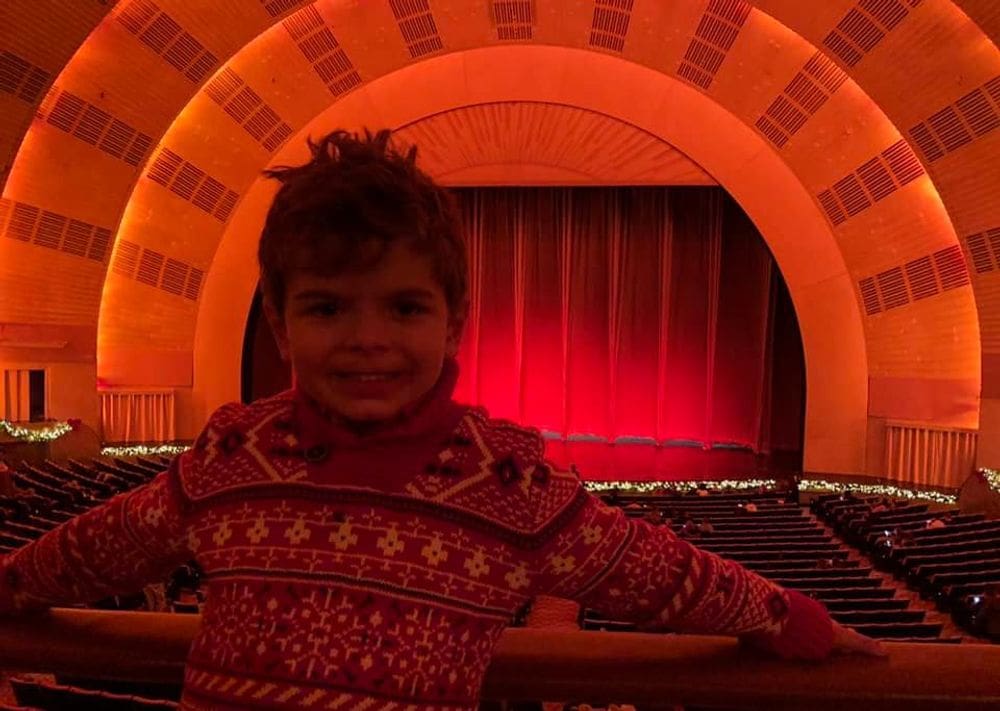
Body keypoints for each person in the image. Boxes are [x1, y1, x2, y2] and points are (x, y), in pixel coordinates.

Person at [0, 129, 885, 710]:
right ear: (278, 320)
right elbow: (97, 546)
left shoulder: (509, 483)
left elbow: (659, 573)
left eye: (405, 308)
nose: (367, 340)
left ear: (455, 319)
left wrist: (792, 620)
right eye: (328, 308)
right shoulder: (234, 452)